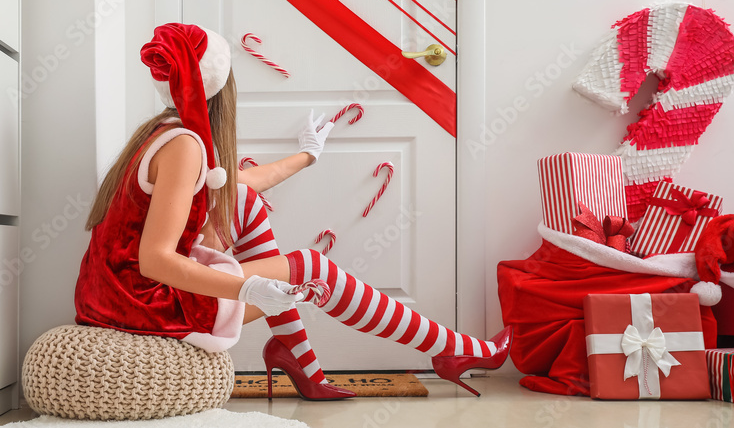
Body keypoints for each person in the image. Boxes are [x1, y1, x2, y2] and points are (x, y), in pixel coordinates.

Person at [74, 23, 511, 400]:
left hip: (111, 288)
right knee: (311, 267)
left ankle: (298, 359)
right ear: (220, 87)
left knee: (241, 203)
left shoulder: (164, 132)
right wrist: (246, 290)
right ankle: (447, 347)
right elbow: (154, 260)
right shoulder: (186, 146)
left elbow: (237, 185)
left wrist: (308, 155)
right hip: (141, 301)